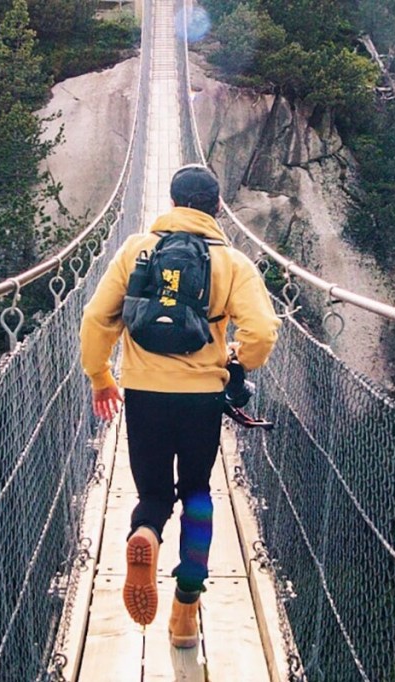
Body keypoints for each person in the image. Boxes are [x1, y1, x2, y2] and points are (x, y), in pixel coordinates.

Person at [79, 164, 281, 648]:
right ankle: (185, 610)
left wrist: (100, 376)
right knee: (196, 495)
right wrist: (235, 360)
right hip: (201, 401)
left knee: (153, 493)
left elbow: (95, 318)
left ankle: (145, 531)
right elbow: (262, 333)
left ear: (171, 204)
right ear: (216, 208)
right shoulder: (232, 262)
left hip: (144, 395)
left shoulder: (135, 250)